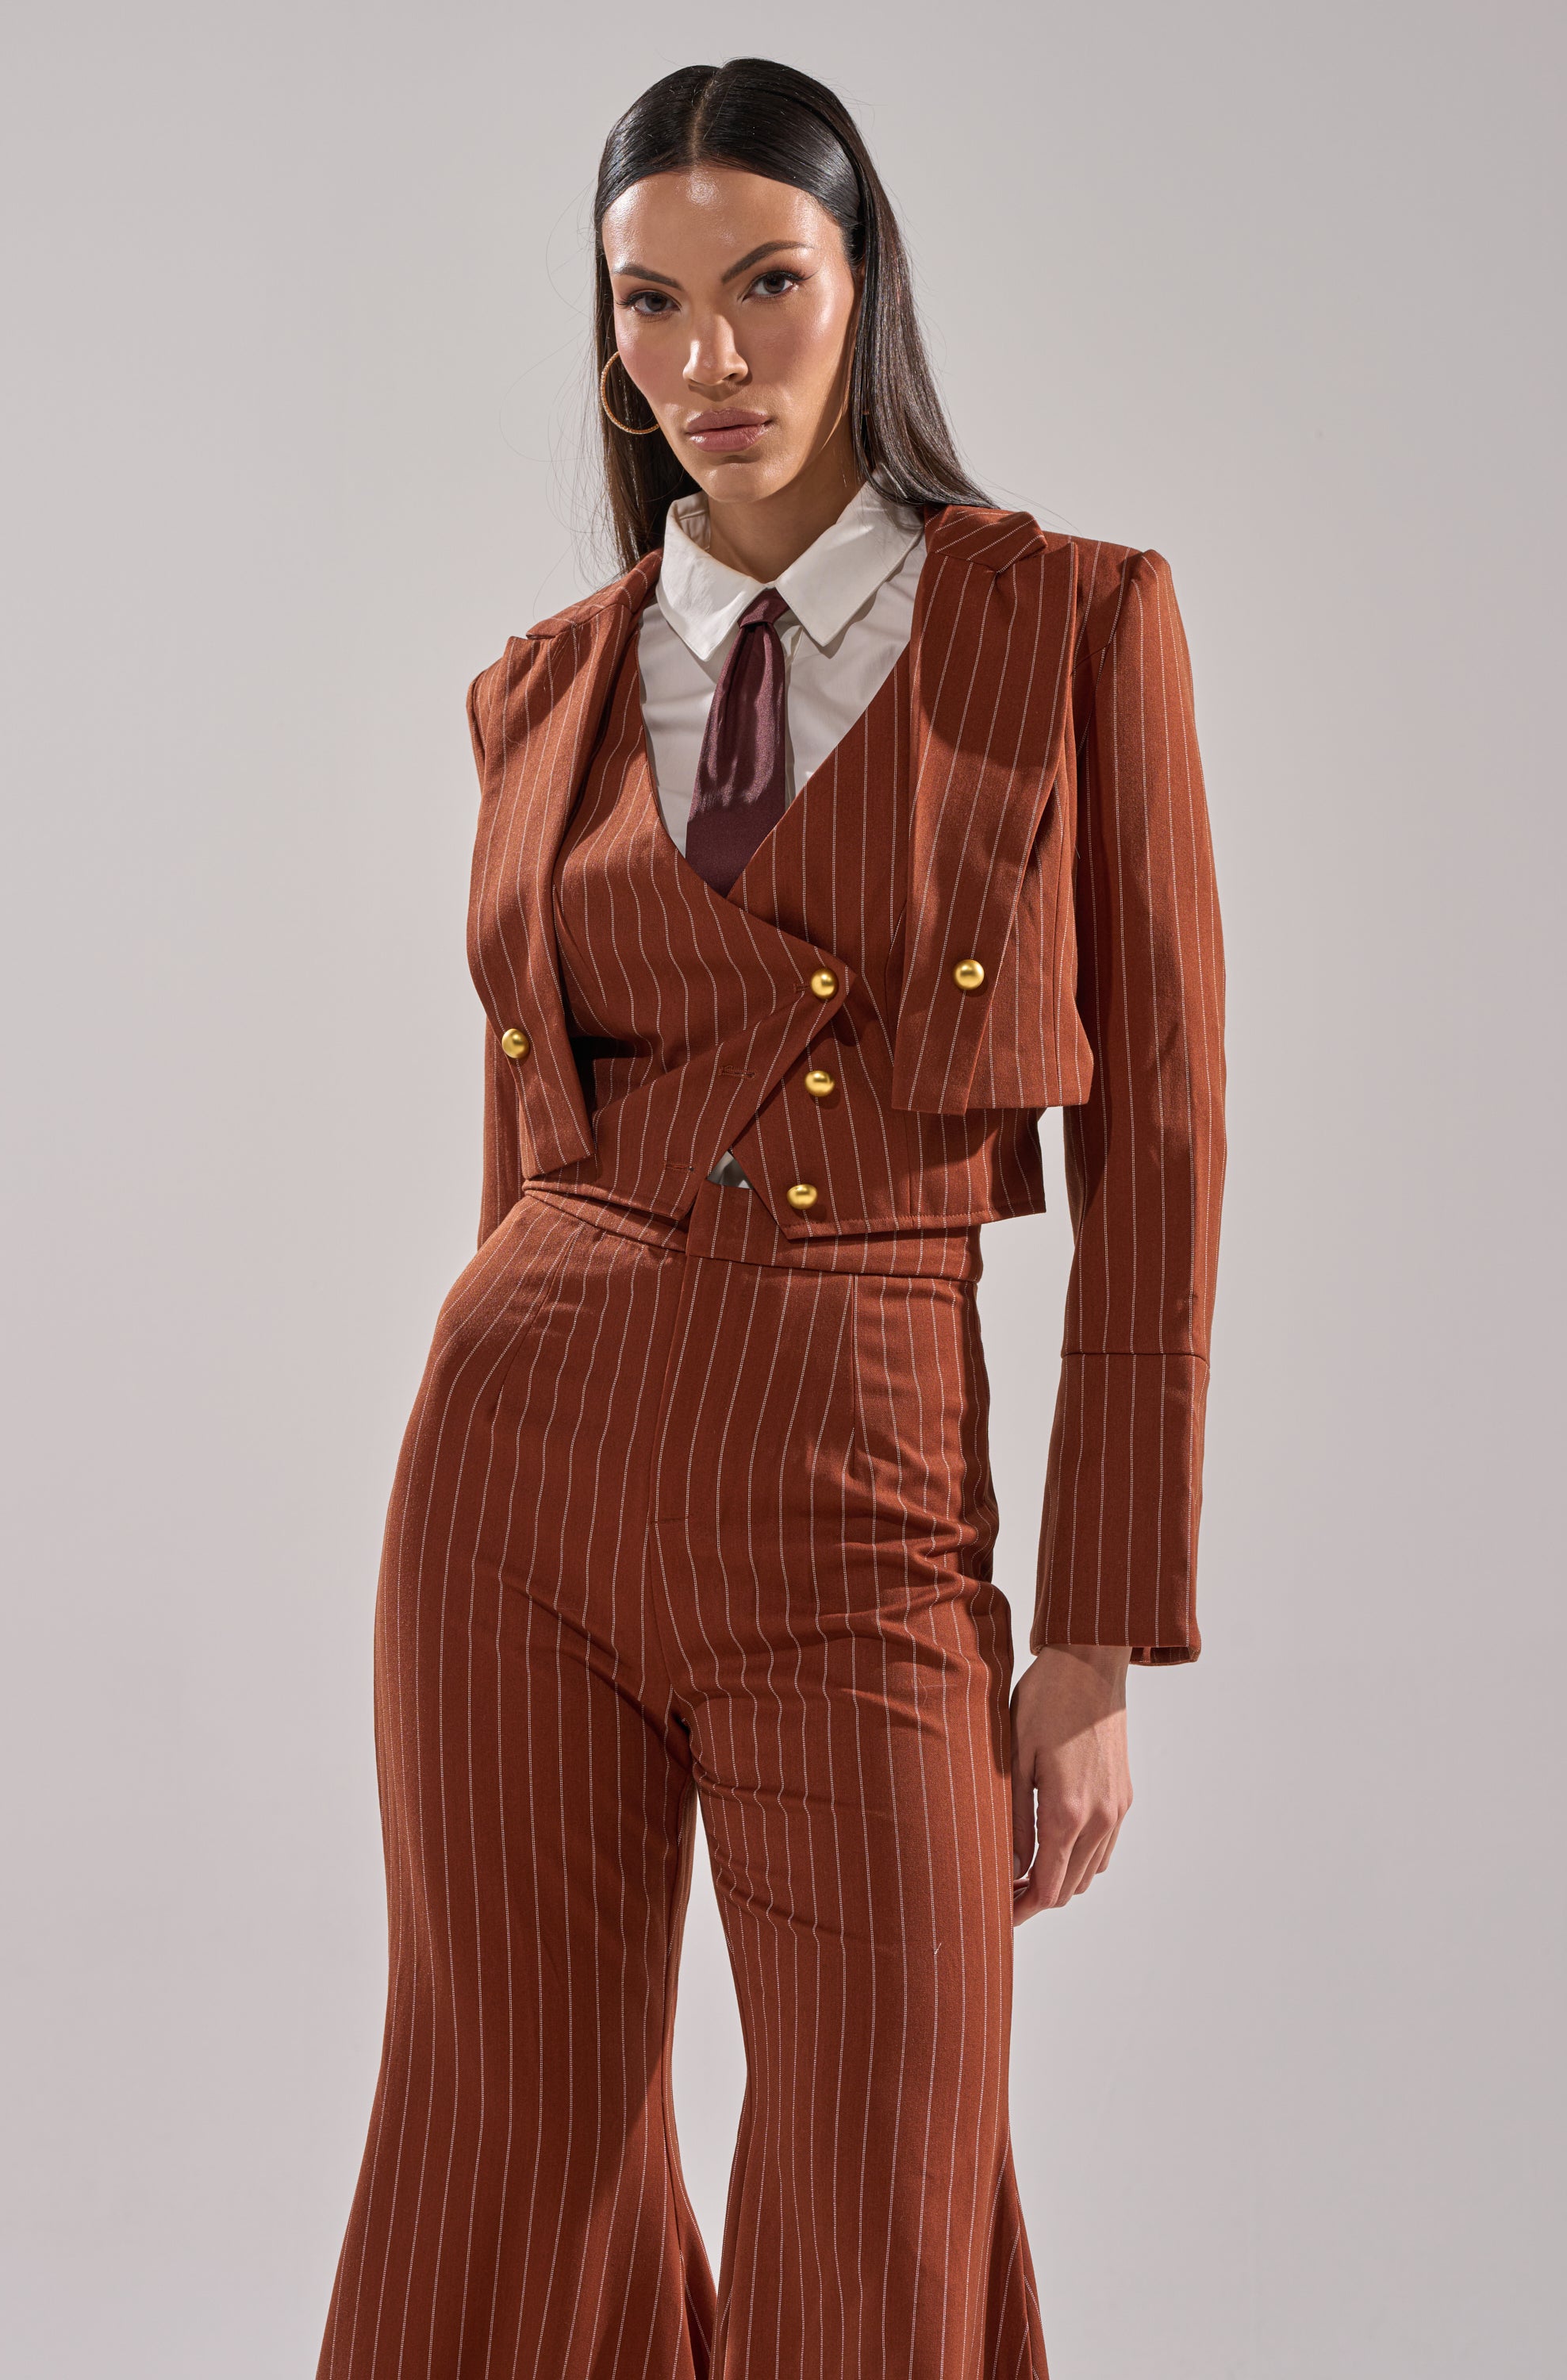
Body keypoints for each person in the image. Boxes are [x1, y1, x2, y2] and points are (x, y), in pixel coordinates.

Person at [315, 54, 1226, 2380]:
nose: (707, 358)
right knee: (500, 2152)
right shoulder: (536, 693)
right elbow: (526, 1136)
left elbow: (1167, 1150)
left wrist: (1100, 1632)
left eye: (764, 287)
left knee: (881, 2163)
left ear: (861, 287)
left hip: (866, 1479)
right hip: (517, 1473)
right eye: (649, 304)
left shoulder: (1072, 627)